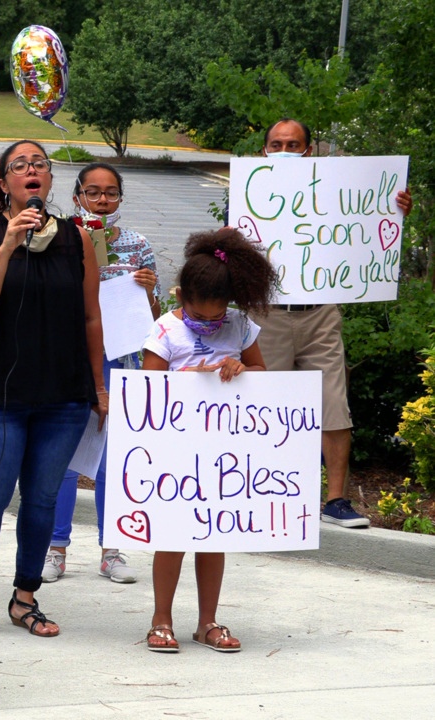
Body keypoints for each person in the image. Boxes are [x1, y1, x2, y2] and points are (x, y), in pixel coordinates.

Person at [0, 141, 107, 640]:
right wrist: (7, 246)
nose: (31, 171)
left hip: (60, 394)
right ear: (3, 183)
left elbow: (90, 315)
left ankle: (25, 597)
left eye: (39, 164)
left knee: (41, 501)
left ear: (48, 180)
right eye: (19, 166)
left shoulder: (76, 239)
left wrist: (99, 386)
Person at [252, 119, 412, 528]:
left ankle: (335, 501)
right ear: (264, 149)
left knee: (333, 407)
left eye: (294, 144)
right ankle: (257, 494)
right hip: (267, 314)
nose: (285, 150)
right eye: (276, 144)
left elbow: (366, 229)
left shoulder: (335, 191)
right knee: (261, 407)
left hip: (320, 312)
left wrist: (393, 210)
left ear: (309, 151)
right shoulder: (249, 192)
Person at [140, 228, 278, 653]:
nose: (209, 324)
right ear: (180, 297)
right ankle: (161, 618)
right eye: (200, 317)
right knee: (173, 535)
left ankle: (207, 621)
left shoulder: (240, 326)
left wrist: (241, 368)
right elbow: (146, 389)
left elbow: (262, 375)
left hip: (223, 453)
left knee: (214, 533)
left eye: (216, 318)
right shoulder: (165, 330)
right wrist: (183, 380)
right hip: (175, 453)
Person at [43, 163, 162, 585]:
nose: (102, 200)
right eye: (93, 192)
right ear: (77, 196)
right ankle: (55, 548)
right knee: (66, 457)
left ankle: (111, 548)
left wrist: (147, 289)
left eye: (110, 193)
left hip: (121, 363)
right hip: (70, 360)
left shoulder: (137, 244)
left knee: (113, 458)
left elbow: (155, 318)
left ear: (120, 199)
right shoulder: (57, 236)